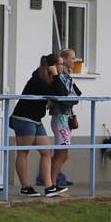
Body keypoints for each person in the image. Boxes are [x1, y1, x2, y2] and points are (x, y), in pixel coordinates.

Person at [11, 54, 67, 197]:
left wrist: (55, 76)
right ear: (52, 66)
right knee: (24, 152)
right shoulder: (39, 79)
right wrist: (55, 75)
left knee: (46, 151)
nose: (63, 66)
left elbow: (63, 94)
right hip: (24, 118)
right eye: (60, 64)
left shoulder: (49, 79)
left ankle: (49, 187)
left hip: (36, 119)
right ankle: (25, 187)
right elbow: (59, 95)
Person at [50, 49, 81, 187]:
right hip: (60, 116)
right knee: (61, 152)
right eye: (72, 58)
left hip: (66, 116)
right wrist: (71, 98)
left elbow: (76, 95)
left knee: (63, 153)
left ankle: (52, 178)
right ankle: (51, 181)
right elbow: (65, 97)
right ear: (63, 59)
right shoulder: (60, 77)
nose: (74, 61)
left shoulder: (68, 76)